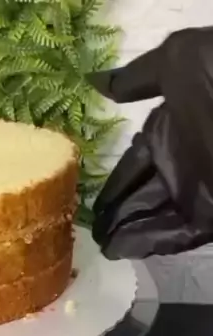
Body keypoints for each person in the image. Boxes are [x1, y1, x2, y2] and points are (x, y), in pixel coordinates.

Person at [89, 27, 213, 261]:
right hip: (165, 159)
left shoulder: (188, 47)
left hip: (166, 161)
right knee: (121, 228)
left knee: (121, 231)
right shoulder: (190, 48)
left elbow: (119, 86)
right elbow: (120, 85)